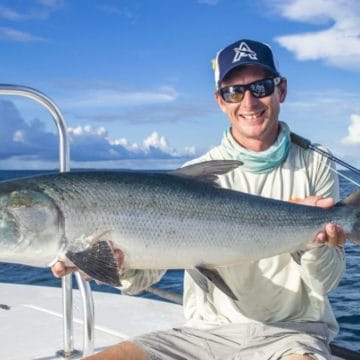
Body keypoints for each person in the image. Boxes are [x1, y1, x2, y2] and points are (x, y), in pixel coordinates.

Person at [52, 39, 346, 360]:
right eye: (234, 92)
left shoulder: (314, 162)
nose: (248, 101)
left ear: (282, 90)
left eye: (260, 87)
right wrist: (119, 266)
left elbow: (325, 282)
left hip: (293, 332)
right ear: (220, 101)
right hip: (205, 334)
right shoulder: (198, 174)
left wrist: (316, 242)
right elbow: (143, 279)